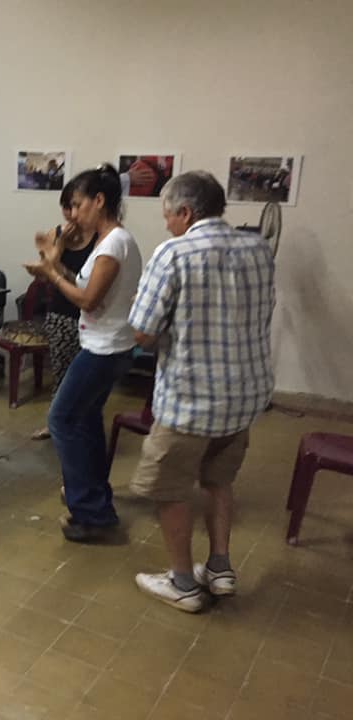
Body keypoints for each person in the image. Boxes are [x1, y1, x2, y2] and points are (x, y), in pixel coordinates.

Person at [130, 171, 275, 612]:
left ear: (186, 212)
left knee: (170, 489)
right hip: (243, 397)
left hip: (190, 400)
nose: (167, 224)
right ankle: (219, 567)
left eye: (168, 216)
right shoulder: (258, 249)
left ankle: (182, 583)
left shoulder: (173, 253)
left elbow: (142, 331)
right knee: (218, 480)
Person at [23, 164, 143, 542]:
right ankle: (95, 500)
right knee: (86, 419)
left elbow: (88, 300)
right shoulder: (109, 242)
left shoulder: (114, 243)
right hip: (103, 344)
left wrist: (50, 274)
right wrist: (54, 265)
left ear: (99, 201)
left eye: (78, 204)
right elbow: (83, 284)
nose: (73, 213)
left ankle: (89, 510)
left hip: (106, 348)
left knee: (61, 419)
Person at [30, 182, 98, 440]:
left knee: (86, 379)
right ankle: (55, 422)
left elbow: (87, 286)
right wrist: (56, 248)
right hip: (61, 313)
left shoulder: (101, 238)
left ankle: (81, 425)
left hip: (89, 315)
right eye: (66, 207)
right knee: (61, 372)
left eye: (75, 206)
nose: (71, 214)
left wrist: (54, 266)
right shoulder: (56, 233)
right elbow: (46, 276)